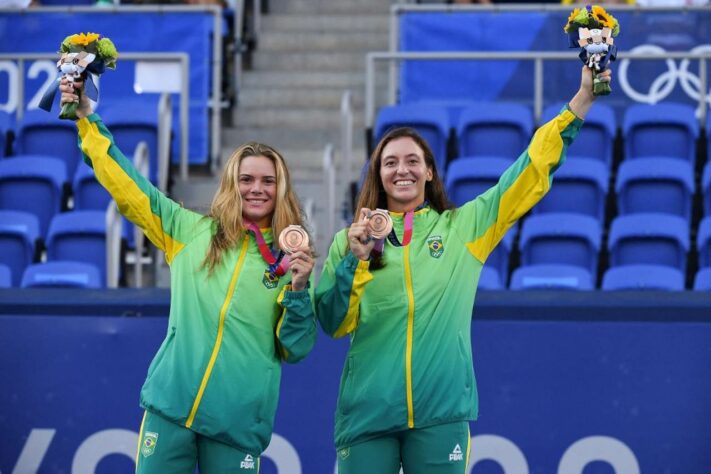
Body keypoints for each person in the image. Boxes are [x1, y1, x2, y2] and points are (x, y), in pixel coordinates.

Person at [315, 65, 612, 474]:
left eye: (413, 161)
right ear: (378, 175)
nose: (402, 169)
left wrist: (582, 101)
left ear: (430, 171)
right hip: (366, 416)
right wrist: (356, 260)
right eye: (390, 162)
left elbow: (527, 172)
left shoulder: (463, 229)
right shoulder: (347, 243)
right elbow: (333, 322)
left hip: (441, 414)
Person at [59, 79, 317, 473]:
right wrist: (87, 120)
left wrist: (298, 289)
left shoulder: (291, 259)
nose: (257, 189)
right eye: (246, 179)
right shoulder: (189, 231)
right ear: (232, 184)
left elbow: (294, 348)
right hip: (171, 409)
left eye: (268, 181)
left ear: (281, 189)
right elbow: (129, 186)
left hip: (237, 424)